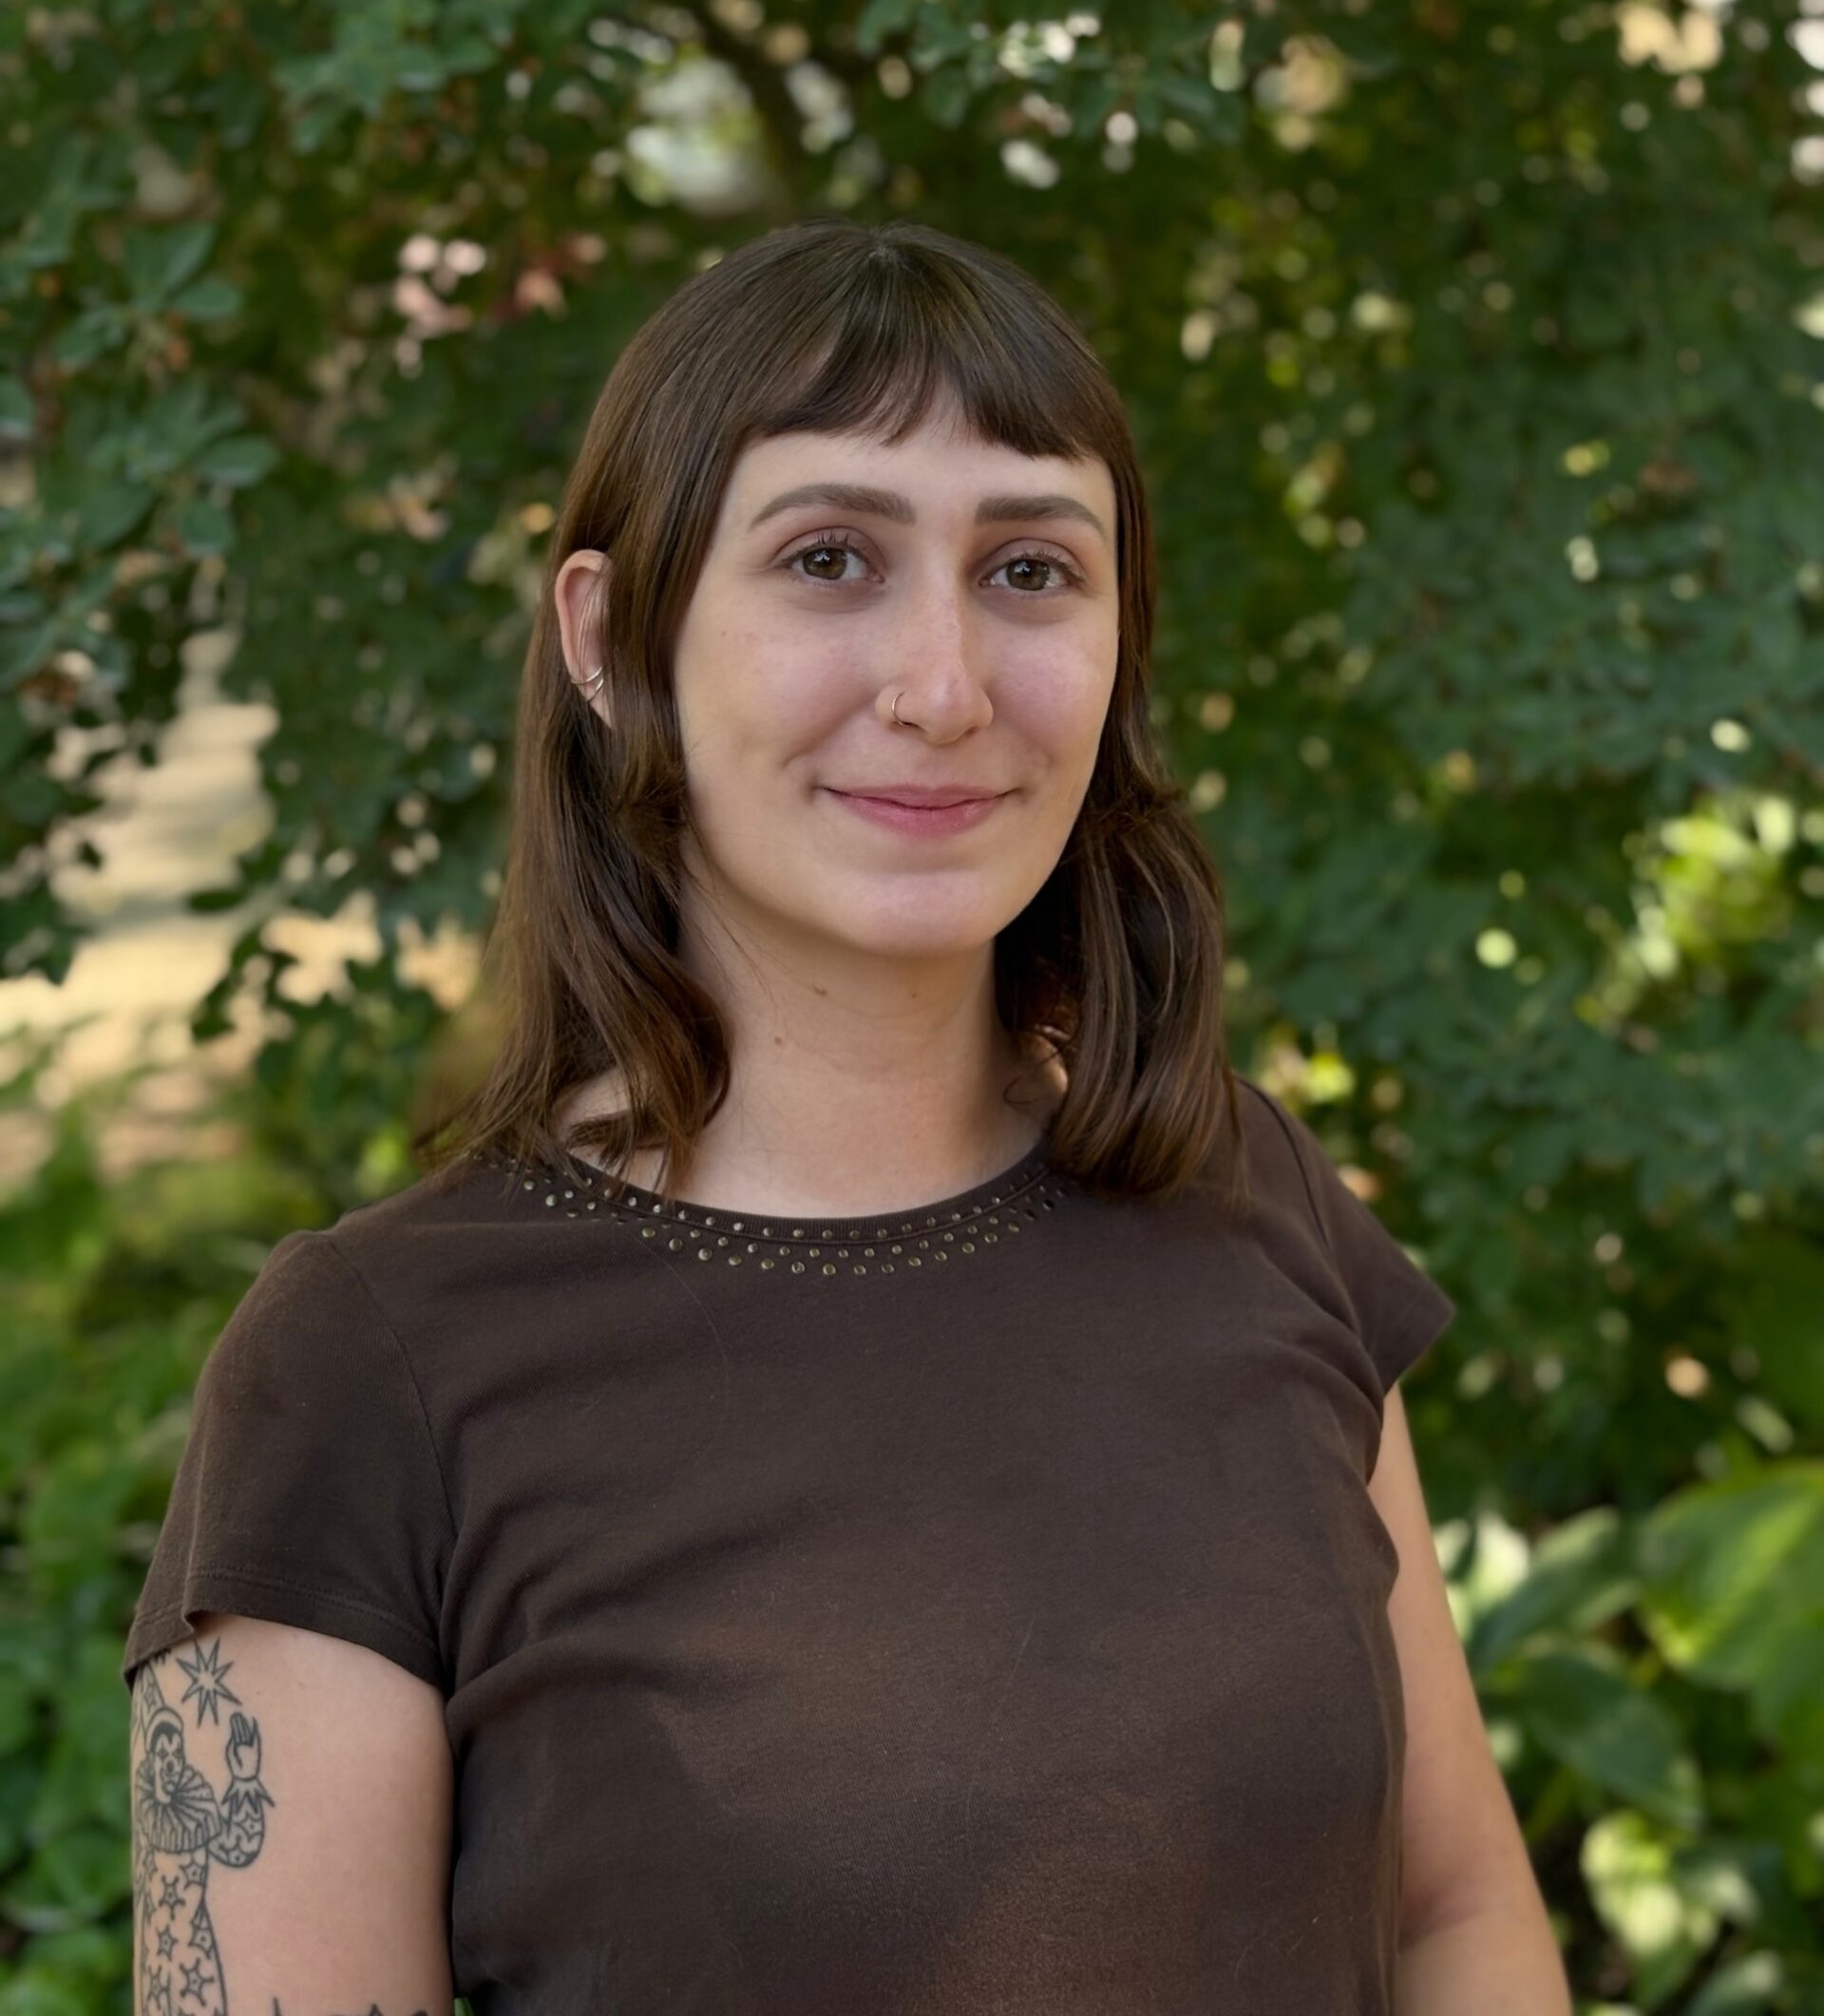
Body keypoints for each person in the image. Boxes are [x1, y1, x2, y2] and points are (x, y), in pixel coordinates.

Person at [121, 219, 1566, 2014]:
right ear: (610, 640)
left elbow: (1453, 1912)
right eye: (828, 559)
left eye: (1032, 569)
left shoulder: (1253, 1196)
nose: (943, 689)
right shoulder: (366, 1369)